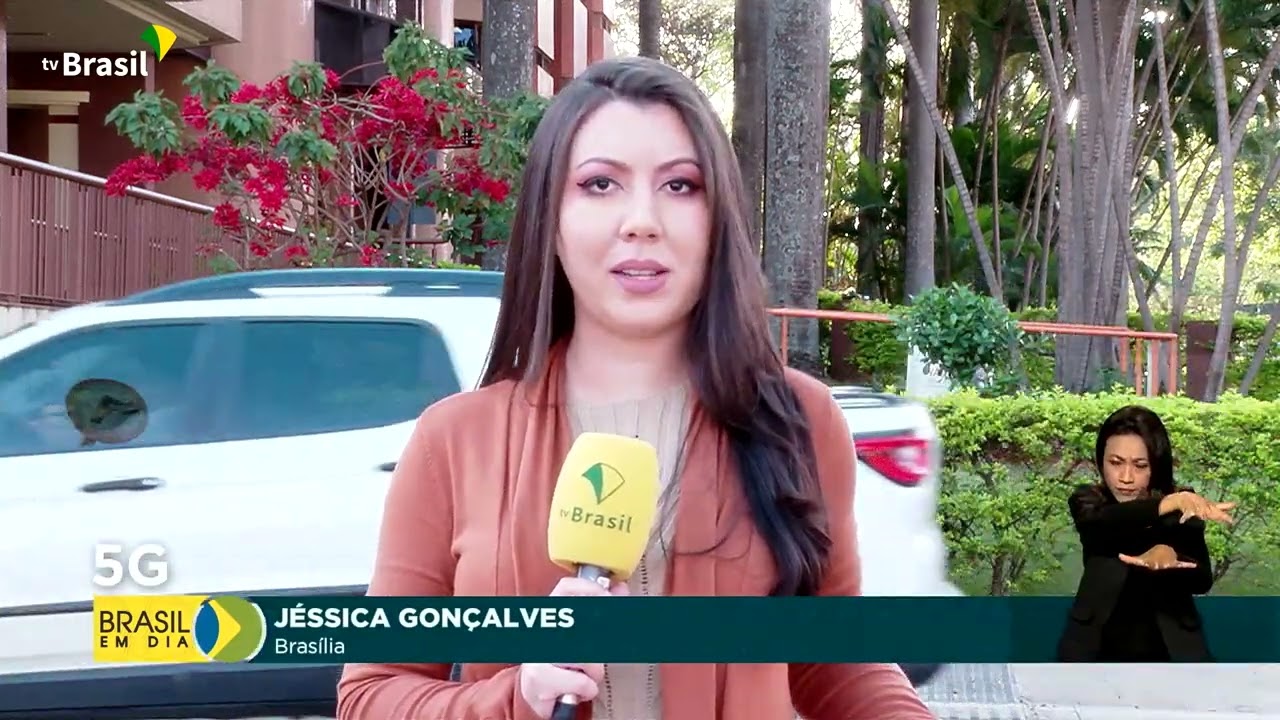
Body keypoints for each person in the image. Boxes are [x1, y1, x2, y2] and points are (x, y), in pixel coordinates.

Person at [336, 56, 934, 719]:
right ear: (550, 220)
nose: (642, 220)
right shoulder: (455, 440)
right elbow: (372, 694)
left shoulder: (798, 419)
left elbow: (836, 659)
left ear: (717, 220)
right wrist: (517, 696)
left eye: (680, 186)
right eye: (600, 184)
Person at [1056, 404, 1235, 663]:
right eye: (1115, 463)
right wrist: (1168, 504)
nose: (1126, 477)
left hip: (1173, 652)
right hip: (1095, 651)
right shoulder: (1089, 502)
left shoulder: (1183, 507)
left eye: (1140, 465)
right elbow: (1105, 525)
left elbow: (1201, 579)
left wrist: (1170, 556)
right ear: (1100, 461)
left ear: (1156, 466)